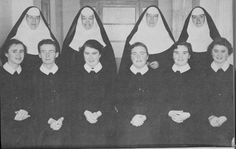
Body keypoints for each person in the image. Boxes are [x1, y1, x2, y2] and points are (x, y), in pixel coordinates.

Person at [69, 39, 116, 147]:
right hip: (81, 116)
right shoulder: (75, 73)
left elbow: (112, 97)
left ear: (100, 54)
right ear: (83, 54)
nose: (90, 57)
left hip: (104, 116)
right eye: (87, 53)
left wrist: (98, 113)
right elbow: (73, 97)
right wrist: (86, 113)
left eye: (94, 53)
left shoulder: (109, 72)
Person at [115, 42, 163, 147]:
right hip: (127, 122)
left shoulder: (157, 77)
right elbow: (118, 101)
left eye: (142, 53)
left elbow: (159, 101)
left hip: (151, 122)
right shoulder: (122, 77)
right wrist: (131, 117)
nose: (138, 57)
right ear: (130, 56)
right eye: (134, 54)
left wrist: (145, 117)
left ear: (147, 56)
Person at [159, 41, 203, 146]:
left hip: (191, 121)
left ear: (189, 55)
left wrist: (188, 114)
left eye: (184, 53)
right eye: (176, 52)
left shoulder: (199, 75)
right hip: (166, 120)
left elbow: (202, 100)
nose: (180, 56)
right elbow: (157, 98)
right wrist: (169, 112)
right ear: (172, 55)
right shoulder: (162, 74)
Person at [0, 6, 59, 77]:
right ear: (25, 18)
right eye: (30, 17)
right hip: (22, 75)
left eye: (37, 18)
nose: (34, 21)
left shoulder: (48, 37)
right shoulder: (15, 39)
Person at [31, 39, 70, 147]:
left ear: (57, 54)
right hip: (41, 122)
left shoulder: (67, 74)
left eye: (51, 51)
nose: (47, 55)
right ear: (39, 54)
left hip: (64, 121)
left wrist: (61, 119)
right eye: (43, 51)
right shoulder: (32, 76)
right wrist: (49, 120)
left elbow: (71, 100)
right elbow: (32, 103)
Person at [119, 5, 175, 78]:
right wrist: (144, 63)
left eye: (155, 16)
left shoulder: (168, 39)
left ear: (159, 18)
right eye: (149, 16)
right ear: (145, 17)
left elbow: (172, 61)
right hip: (138, 77)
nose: (151, 19)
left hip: (161, 77)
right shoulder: (133, 38)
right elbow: (126, 62)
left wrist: (160, 64)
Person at [60, 6, 116, 76]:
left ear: (94, 20)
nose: (87, 21)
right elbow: (65, 68)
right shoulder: (70, 43)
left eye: (90, 18)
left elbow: (110, 68)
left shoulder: (103, 42)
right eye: (84, 18)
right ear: (80, 20)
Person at [0, 39, 34, 148]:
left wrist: (26, 109)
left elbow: (35, 97)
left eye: (21, 51)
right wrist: (12, 116)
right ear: (6, 53)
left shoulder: (29, 74)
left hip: (28, 121)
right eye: (14, 51)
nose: (19, 54)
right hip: (5, 125)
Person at [201, 37, 234, 146]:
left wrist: (225, 117)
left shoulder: (233, 72)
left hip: (231, 122)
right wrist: (210, 116)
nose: (219, 54)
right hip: (205, 121)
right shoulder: (201, 73)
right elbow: (198, 100)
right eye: (216, 51)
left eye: (223, 51)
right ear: (211, 52)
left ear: (229, 53)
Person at [178, 7, 221, 77]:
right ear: (191, 19)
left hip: (209, 75)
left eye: (201, 16)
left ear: (205, 18)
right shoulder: (184, 41)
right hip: (189, 75)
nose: (198, 20)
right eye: (194, 17)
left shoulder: (214, 40)